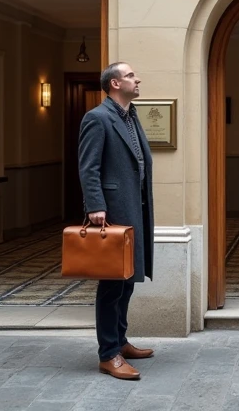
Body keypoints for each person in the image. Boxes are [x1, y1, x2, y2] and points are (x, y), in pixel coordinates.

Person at [78, 62, 155, 380]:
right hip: (113, 213)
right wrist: (95, 205)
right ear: (113, 84)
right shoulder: (97, 118)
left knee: (127, 282)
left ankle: (120, 341)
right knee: (112, 284)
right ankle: (108, 353)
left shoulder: (131, 116)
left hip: (135, 211)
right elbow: (88, 166)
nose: (137, 79)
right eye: (130, 76)